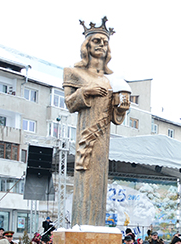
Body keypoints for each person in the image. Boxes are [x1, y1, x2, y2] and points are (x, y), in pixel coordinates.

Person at [63, 18, 130, 225]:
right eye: (97, 41)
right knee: (85, 174)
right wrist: (86, 91)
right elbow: (69, 103)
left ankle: (97, 224)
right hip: (86, 132)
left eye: (105, 42)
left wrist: (121, 107)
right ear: (87, 45)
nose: (101, 45)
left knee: (100, 177)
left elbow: (115, 115)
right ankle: (81, 224)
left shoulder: (114, 80)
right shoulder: (73, 72)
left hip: (103, 136)